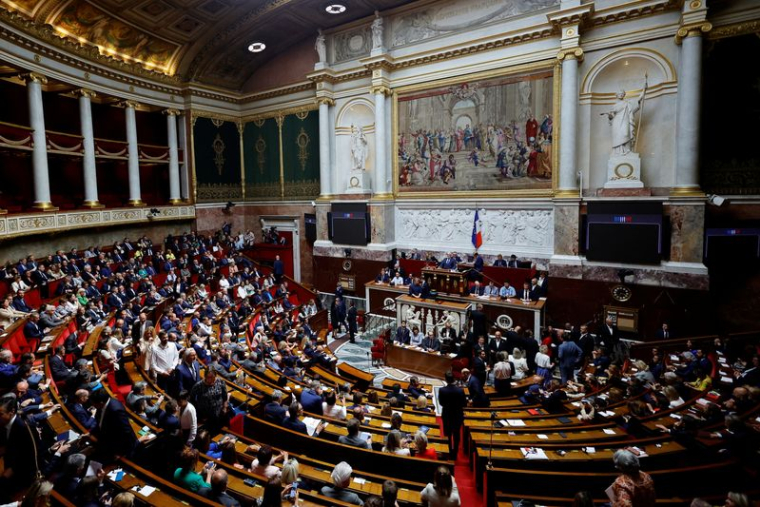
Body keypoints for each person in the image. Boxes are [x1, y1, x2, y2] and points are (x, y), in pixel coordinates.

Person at [438, 371, 466, 456]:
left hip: (447, 415)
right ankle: (455, 452)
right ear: (454, 379)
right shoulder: (460, 391)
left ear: (446, 380)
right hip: (457, 415)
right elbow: (464, 404)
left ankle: (449, 450)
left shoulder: (442, 390)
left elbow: (441, 403)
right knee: (456, 434)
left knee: (448, 434)